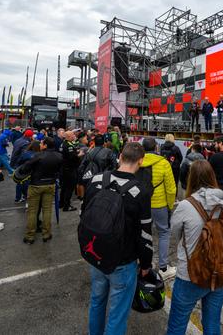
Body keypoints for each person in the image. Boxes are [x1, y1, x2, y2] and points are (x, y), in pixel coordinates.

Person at [85, 142, 153, 335]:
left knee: (97, 301)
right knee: (118, 313)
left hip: (96, 252)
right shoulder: (140, 191)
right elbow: (145, 233)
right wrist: (146, 264)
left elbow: (85, 214)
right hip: (123, 260)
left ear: (120, 157)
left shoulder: (97, 179)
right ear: (141, 161)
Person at [167, 160, 223, 335]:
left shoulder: (185, 205)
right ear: (212, 176)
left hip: (191, 274)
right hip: (220, 270)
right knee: (212, 323)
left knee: (177, 324)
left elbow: (175, 233)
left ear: (191, 178)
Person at [141, 137, 177, 280]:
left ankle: (145, 264)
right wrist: (170, 205)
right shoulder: (163, 163)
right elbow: (171, 189)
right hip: (160, 204)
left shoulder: (138, 161)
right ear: (156, 147)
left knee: (143, 234)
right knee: (163, 233)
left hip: (142, 204)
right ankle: (163, 267)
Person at [19, 137, 63, 244]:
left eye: (42, 143)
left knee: (32, 211)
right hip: (50, 184)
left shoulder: (38, 156)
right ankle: (46, 234)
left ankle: (30, 236)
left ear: (46, 145)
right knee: (47, 210)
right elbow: (60, 170)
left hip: (36, 185)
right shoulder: (59, 156)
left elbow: (24, 168)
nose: (40, 144)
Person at [59, 130, 80, 212]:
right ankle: (66, 206)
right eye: (72, 135)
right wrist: (79, 154)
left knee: (64, 187)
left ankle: (61, 203)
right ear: (68, 137)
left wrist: (76, 152)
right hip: (70, 169)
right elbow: (72, 157)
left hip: (64, 168)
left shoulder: (63, 144)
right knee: (69, 188)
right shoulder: (68, 145)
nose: (73, 136)